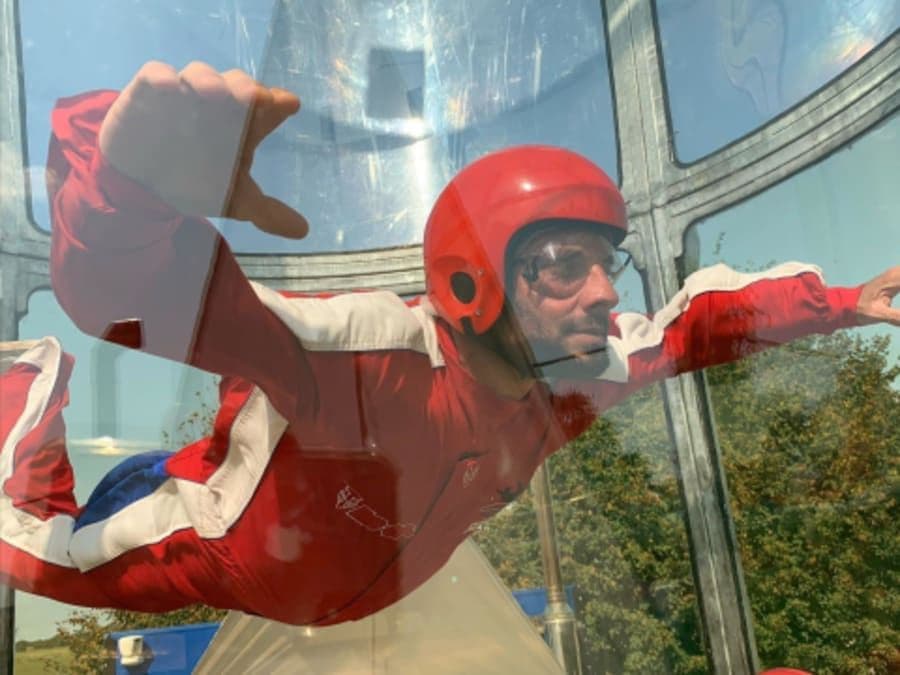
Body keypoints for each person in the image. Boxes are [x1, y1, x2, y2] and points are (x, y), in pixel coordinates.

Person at [1, 61, 898, 627]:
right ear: (470, 282)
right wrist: (125, 188)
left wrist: (854, 299)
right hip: (222, 542)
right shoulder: (372, 357)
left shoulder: (579, 378)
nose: (604, 293)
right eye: (560, 266)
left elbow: (697, 321)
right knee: (37, 553)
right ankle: (21, 392)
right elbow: (135, 301)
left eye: (607, 264)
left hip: (341, 584)